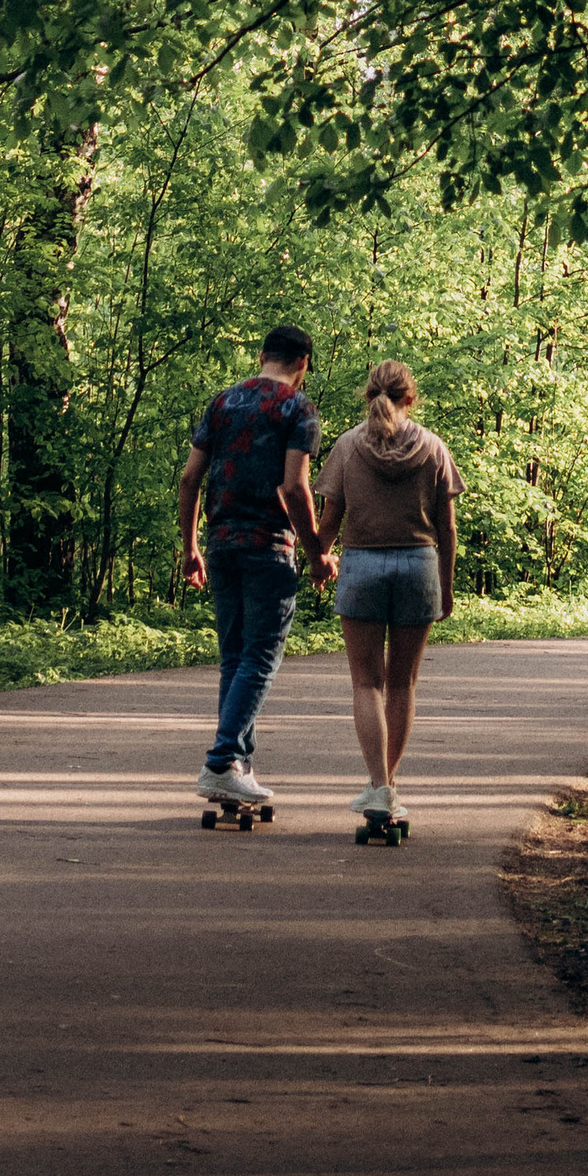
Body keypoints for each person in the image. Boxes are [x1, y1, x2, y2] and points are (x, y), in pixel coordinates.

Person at [310, 357, 462, 826]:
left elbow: (329, 522)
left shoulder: (348, 447)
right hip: (419, 567)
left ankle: (377, 786)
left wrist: (319, 558)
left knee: (366, 683)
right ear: (410, 398)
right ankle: (388, 787)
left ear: (369, 394)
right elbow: (448, 528)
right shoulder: (433, 448)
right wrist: (446, 586)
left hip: (362, 566)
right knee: (402, 684)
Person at [178, 324, 322, 809]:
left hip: (220, 544)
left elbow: (190, 478)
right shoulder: (297, 409)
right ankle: (220, 762)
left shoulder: (221, 403)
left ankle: (238, 767)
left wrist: (189, 546)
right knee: (260, 657)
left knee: (235, 658)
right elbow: (295, 488)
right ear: (302, 363)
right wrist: (318, 551)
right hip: (268, 546)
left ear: (262, 355)